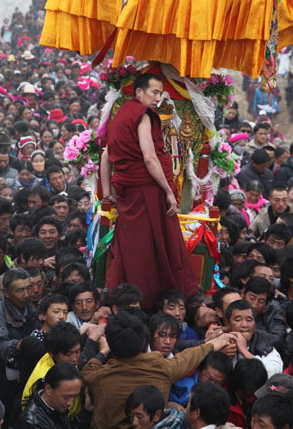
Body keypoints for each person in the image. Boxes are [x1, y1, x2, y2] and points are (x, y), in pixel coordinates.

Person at [101, 73, 198, 308]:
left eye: (160, 94)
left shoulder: (121, 115)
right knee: (158, 245)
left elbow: (106, 155)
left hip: (130, 193)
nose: (158, 98)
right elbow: (149, 157)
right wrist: (167, 190)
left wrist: (106, 191)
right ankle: (159, 297)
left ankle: (121, 297)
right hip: (148, 191)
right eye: (154, 92)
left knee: (131, 245)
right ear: (139, 93)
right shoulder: (142, 115)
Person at [82, 310, 231, 429]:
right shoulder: (163, 368)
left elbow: (86, 371)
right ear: (143, 341)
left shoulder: (98, 377)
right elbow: (189, 357)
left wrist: (102, 352)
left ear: (112, 346)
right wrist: (215, 343)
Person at [0, 269, 38, 418]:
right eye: (20, 290)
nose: (26, 294)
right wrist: (17, 345)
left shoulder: (29, 308)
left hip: (20, 382)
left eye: (28, 288)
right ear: (6, 292)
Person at [17, 362, 91, 429]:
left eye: (75, 396)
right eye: (66, 397)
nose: (70, 403)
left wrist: (86, 411)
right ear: (48, 389)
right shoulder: (31, 424)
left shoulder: (56, 406)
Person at [225, 300, 283, 377]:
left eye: (249, 320)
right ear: (227, 323)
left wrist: (244, 351)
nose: (244, 325)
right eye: (238, 320)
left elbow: (274, 373)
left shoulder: (265, 344)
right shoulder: (221, 342)